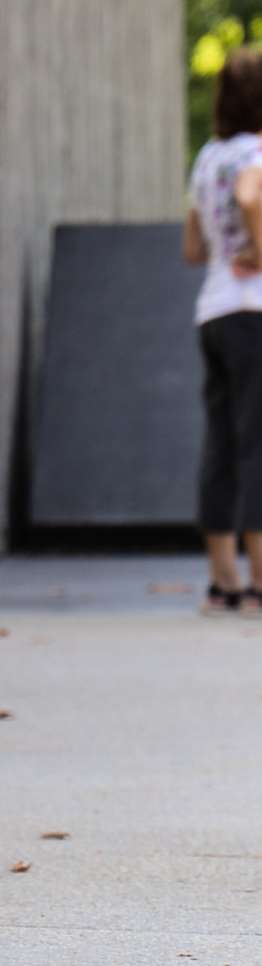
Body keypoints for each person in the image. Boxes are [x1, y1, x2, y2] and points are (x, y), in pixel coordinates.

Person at [184, 43, 262, 613]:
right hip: (253, 311)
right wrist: (258, 249)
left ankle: (222, 584)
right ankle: (260, 584)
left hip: (212, 311)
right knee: (259, 445)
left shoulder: (208, 157)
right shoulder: (257, 154)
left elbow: (192, 246)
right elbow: (252, 196)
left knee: (220, 446)